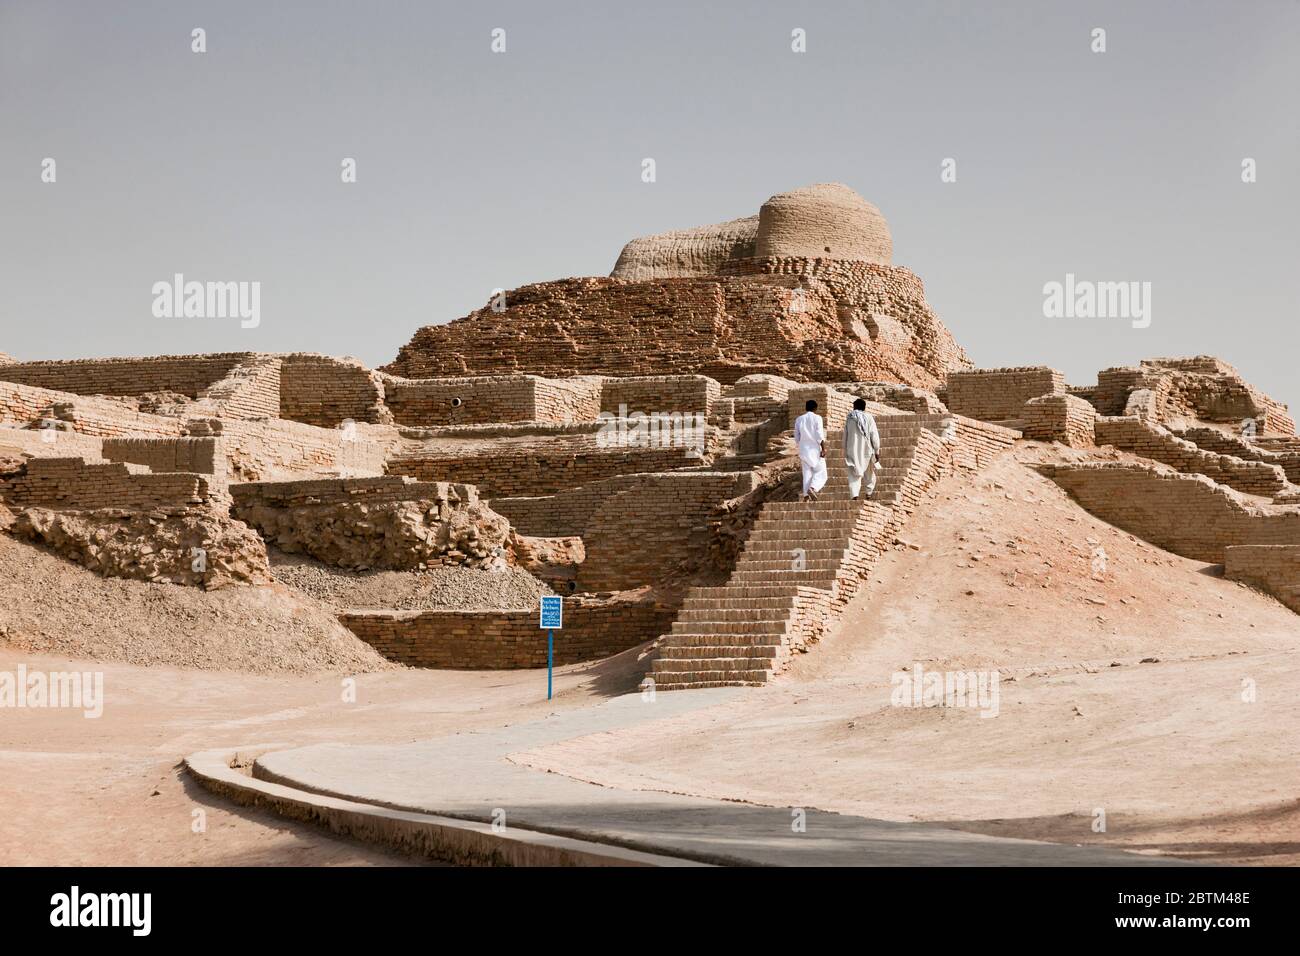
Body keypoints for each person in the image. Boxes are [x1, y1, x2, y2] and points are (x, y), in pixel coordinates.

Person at [844, 397, 881, 501]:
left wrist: (845, 449)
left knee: (853, 473)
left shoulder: (850, 417)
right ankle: (869, 492)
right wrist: (877, 450)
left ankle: (854, 495)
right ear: (864, 408)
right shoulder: (868, 417)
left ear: (855, 407)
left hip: (852, 450)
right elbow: (874, 434)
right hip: (867, 450)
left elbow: (845, 435)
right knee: (869, 472)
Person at [793, 399, 827, 500]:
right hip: (814, 450)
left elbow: (796, 436)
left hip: (803, 450)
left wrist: (801, 444)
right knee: (821, 472)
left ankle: (806, 496)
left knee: (807, 473)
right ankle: (813, 487)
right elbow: (819, 434)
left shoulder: (799, 419)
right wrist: (823, 448)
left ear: (806, 408)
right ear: (815, 408)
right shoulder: (817, 418)